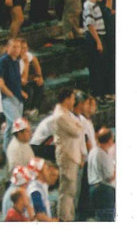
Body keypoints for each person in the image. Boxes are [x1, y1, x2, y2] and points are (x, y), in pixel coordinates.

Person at [52, 87, 85, 221]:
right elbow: (77, 131)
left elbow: (79, 126)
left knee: (71, 190)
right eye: (72, 99)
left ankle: (69, 217)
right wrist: (78, 126)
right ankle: (65, 218)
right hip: (67, 156)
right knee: (67, 191)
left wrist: (78, 126)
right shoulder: (61, 115)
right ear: (66, 100)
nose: (73, 102)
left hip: (72, 155)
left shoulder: (66, 113)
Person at [88, 127, 116, 221]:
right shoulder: (102, 154)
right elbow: (109, 176)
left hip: (93, 188)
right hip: (104, 190)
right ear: (109, 140)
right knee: (107, 219)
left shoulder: (93, 151)